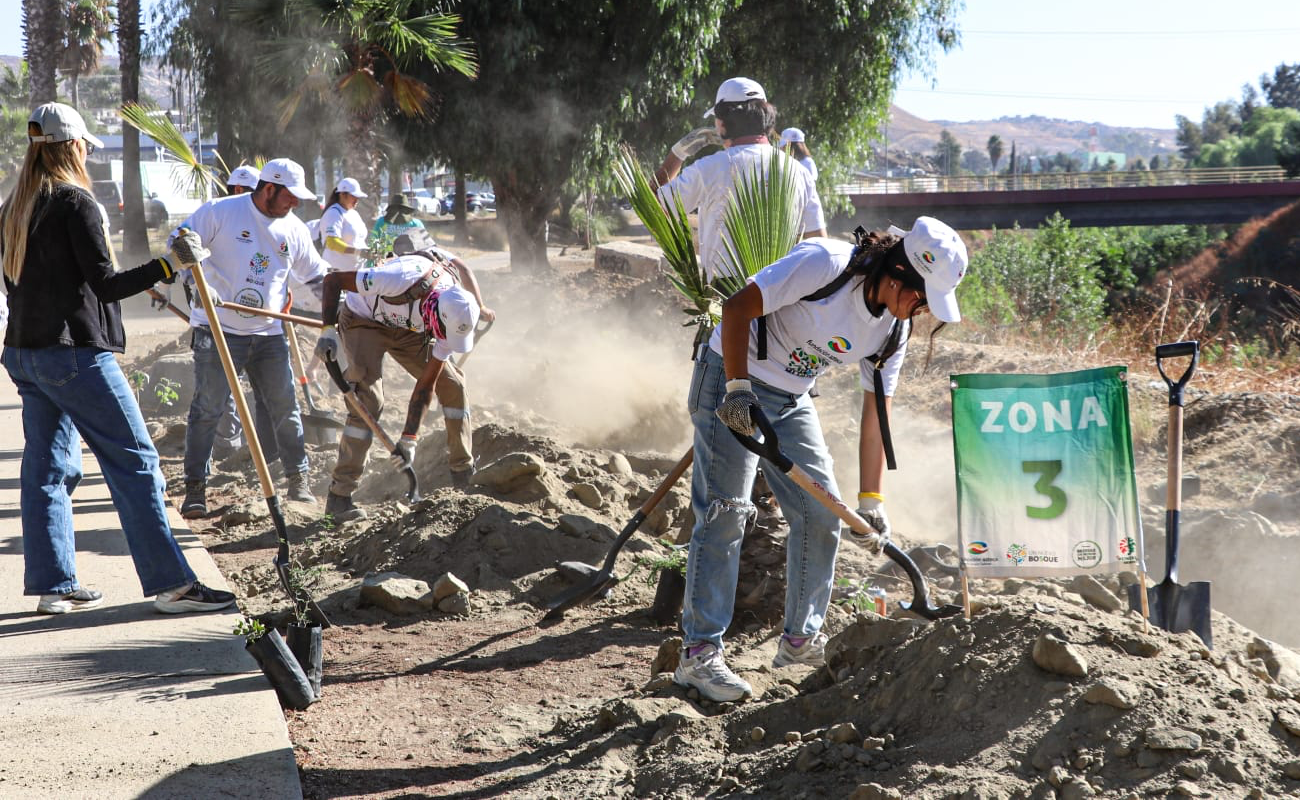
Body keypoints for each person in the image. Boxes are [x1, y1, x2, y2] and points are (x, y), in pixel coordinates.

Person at [672, 216, 968, 702]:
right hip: (731, 373)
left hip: (790, 398)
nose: (918, 312)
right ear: (898, 275)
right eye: (919, 297)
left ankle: (799, 642)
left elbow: (877, 413)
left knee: (820, 514)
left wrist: (871, 499)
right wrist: (739, 390)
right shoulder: (825, 265)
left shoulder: (892, 334)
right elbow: (736, 308)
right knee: (727, 510)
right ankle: (699, 655)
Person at [1, 102, 236, 615]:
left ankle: (54, 586)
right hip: (75, 356)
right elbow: (106, 285)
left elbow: (41, 282)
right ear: (75, 146)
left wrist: (153, 273)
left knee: (46, 469)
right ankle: (173, 585)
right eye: (85, 144)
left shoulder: (14, 207)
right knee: (136, 463)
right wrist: (169, 264)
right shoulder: (76, 202)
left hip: (24, 354)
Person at [173, 157, 329, 518]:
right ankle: (195, 488)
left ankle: (298, 480)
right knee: (207, 408)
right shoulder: (221, 212)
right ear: (269, 188)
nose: (295, 204)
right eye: (290, 196)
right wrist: (198, 282)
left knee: (285, 408)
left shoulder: (294, 229)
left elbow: (318, 278)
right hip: (218, 328)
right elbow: (179, 241)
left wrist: (339, 313)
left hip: (268, 333)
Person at [315, 231, 494, 521]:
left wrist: (409, 439)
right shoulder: (398, 276)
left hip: (410, 329)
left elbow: (427, 387)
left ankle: (463, 475)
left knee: (453, 385)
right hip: (364, 320)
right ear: (435, 314)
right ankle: (340, 496)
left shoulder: (453, 313)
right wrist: (327, 330)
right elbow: (333, 281)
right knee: (368, 400)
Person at [655, 77, 826, 284]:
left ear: (722, 123)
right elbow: (819, 244)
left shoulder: (710, 168)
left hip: (728, 296)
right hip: (783, 292)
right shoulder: (798, 172)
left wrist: (679, 152)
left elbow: (654, 203)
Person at [369, 194, 426, 259]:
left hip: (408, 262)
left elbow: (425, 247)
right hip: (387, 262)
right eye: (396, 209)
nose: (399, 212)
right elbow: (373, 245)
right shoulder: (416, 223)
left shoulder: (416, 224)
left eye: (401, 209)